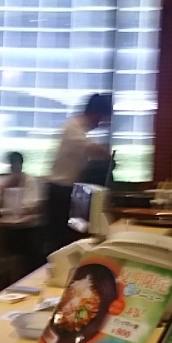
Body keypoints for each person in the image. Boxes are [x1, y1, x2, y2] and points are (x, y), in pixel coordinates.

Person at [46, 93, 112, 249]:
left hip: (67, 191)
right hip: (59, 192)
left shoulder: (77, 129)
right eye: (101, 119)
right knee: (61, 241)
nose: (100, 124)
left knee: (70, 238)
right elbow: (92, 149)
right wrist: (108, 156)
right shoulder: (72, 128)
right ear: (95, 113)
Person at [0, 152, 41, 220]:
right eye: (12, 163)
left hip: (21, 221)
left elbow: (29, 207)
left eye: (17, 163)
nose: (14, 166)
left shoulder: (29, 181)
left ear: (21, 164)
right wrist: (2, 189)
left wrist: (3, 211)